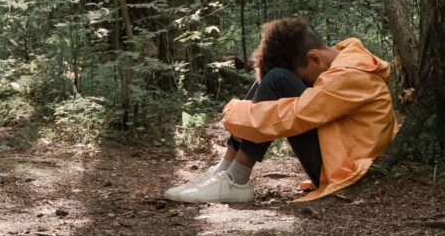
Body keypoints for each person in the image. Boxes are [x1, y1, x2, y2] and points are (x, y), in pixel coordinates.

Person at [163, 18, 397, 204]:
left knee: (277, 79)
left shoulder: (350, 75)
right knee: (268, 79)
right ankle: (226, 168)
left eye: (306, 78)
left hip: (347, 169)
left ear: (314, 58)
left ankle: (237, 179)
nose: (308, 83)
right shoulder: (342, 63)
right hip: (337, 152)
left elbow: (294, 116)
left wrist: (237, 113)